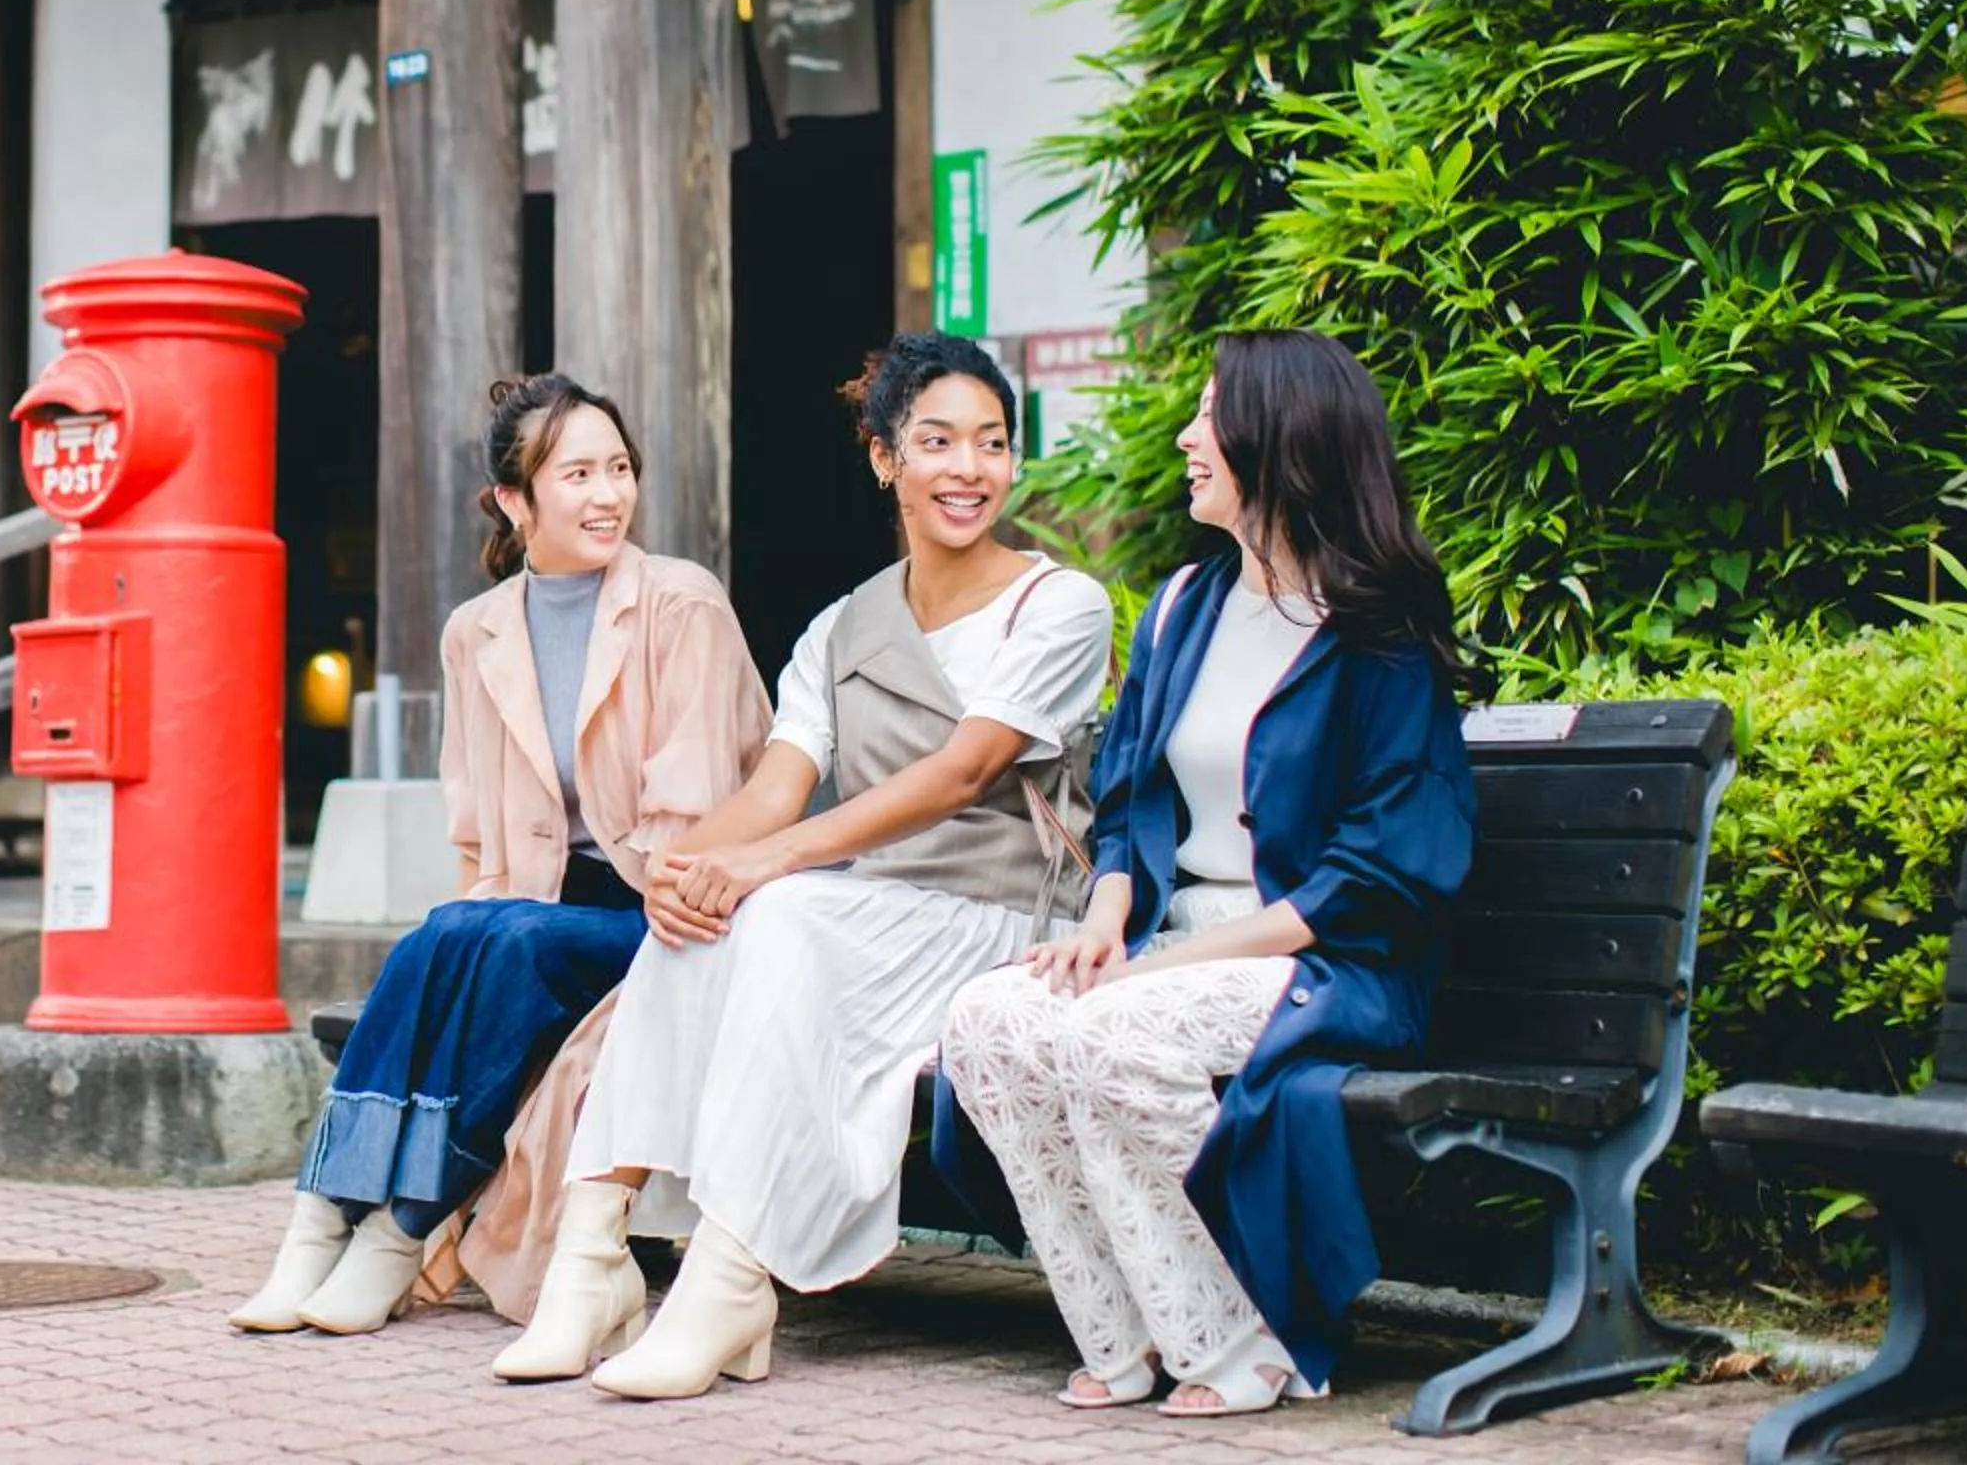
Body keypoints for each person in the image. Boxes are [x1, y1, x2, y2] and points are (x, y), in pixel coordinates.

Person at [492, 332, 1114, 1398]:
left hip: (1001, 920)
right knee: (703, 920)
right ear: (886, 457)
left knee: (774, 913)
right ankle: (592, 1254)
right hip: (869, 922)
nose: (970, 468)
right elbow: (776, 788)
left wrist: (763, 867)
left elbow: (964, 771)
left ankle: (732, 1272)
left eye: (993, 443)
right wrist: (687, 869)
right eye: (938, 441)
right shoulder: (840, 629)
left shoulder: (1059, 604)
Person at [937, 328, 1478, 1418]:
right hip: (1179, 943)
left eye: (1209, 414)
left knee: (1109, 1029)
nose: (1188, 436)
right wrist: (1110, 915)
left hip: (1324, 960)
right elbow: (1133, 793)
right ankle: (1124, 1328)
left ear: (1280, 441)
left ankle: (1244, 1335)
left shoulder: (1379, 629)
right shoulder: (1189, 602)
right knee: (992, 1018)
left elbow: (1377, 872)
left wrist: (1164, 964)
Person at [230, 375, 771, 1337]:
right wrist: (473, 934)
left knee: (501, 940)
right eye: (577, 475)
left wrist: (496, 927)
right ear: (515, 503)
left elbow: (696, 822)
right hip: (527, 907)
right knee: (460, 930)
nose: (607, 495)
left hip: (666, 908)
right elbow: (477, 831)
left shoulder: (680, 604)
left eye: (618, 470)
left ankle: (399, 1232)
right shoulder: (473, 632)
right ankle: (319, 1225)